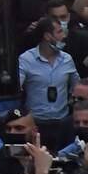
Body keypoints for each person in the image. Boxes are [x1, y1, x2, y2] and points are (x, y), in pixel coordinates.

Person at [18, 16, 79, 151]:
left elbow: (77, 86)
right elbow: (17, 87)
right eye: (59, 32)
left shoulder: (67, 59)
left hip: (62, 123)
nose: (64, 36)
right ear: (47, 36)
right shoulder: (26, 59)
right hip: (37, 124)